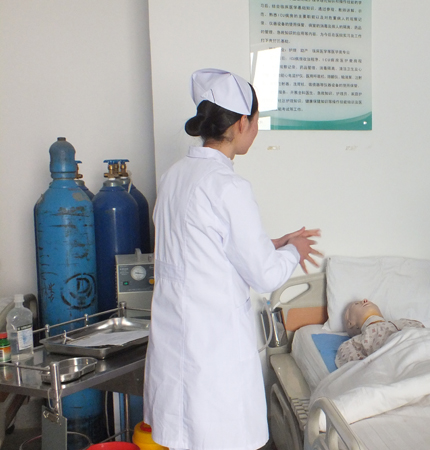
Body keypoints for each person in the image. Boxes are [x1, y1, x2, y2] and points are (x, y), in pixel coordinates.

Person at [144, 68, 322, 450]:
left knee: (184, 438)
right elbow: (265, 275)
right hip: (214, 350)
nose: (256, 129)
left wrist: (273, 242)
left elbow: (200, 247)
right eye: (256, 121)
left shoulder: (173, 177)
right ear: (242, 123)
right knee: (218, 438)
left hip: (176, 342)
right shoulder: (228, 186)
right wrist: (294, 250)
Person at [335, 299, 424, 367]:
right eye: (357, 304)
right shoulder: (356, 342)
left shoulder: (403, 322)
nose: (365, 300)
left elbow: (423, 335)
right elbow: (353, 363)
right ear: (350, 323)